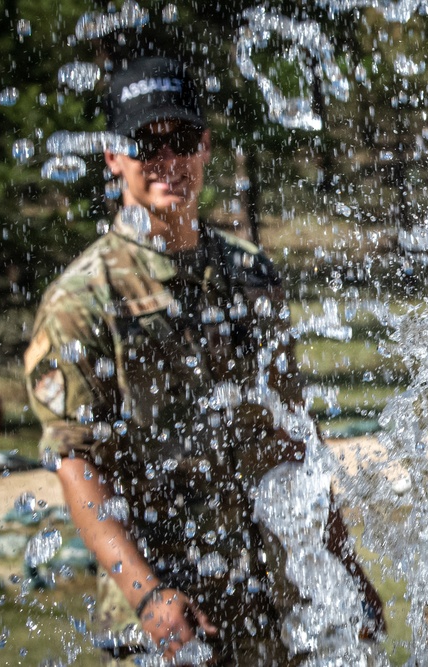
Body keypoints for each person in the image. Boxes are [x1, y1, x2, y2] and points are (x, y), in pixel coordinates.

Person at [25, 56, 382, 665]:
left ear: (206, 146)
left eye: (182, 140)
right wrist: (147, 596)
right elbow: (76, 461)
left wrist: (344, 565)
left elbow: (294, 437)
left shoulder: (250, 274)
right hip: (168, 611)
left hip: (269, 594)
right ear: (114, 156)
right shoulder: (83, 298)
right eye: (146, 144)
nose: (168, 161)